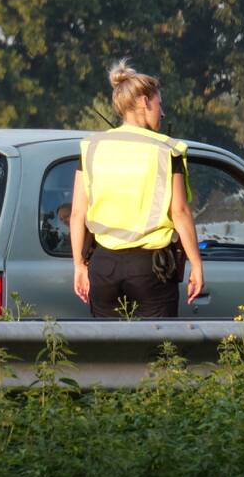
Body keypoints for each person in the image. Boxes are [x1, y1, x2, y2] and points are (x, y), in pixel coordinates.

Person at [69, 59, 204, 317]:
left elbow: (77, 214)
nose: (161, 114)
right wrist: (196, 264)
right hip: (150, 267)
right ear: (144, 101)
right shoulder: (167, 149)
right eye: (159, 105)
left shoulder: (92, 147)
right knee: (160, 351)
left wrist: (78, 265)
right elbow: (180, 212)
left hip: (104, 265)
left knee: (108, 351)